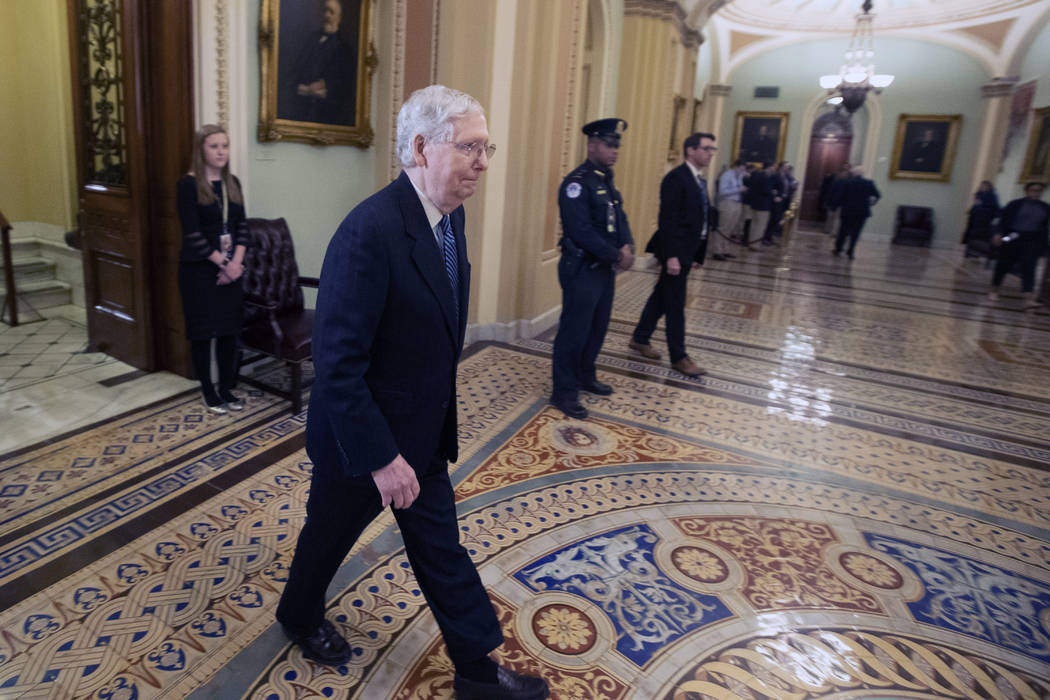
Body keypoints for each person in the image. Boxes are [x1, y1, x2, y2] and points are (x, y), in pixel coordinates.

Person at [275, 85, 549, 700]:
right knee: (327, 538)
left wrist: (416, 441)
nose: (483, 161)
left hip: (419, 434)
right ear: (422, 148)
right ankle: (297, 614)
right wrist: (379, 456)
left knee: (441, 549)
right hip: (360, 441)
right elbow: (337, 363)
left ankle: (478, 674)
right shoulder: (368, 232)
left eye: (487, 147)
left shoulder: (449, 220)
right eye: (471, 147)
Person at [549, 118, 635, 420]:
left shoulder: (605, 180)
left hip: (603, 269)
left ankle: (586, 375)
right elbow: (580, 230)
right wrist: (616, 254)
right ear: (593, 145)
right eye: (610, 145)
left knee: (597, 328)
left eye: (617, 146)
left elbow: (619, 218)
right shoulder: (577, 183)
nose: (615, 151)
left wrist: (629, 247)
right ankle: (564, 391)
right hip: (582, 267)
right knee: (574, 331)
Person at [627, 132, 716, 378]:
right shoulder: (675, 179)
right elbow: (668, 221)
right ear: (691, 151)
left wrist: (698, 253)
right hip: (676, 251)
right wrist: (673, 256)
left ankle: (640, 337)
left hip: (688, 250)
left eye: (712, 149)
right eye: (707, 148)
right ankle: (679, 357)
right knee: (675, 304)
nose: (710, 153)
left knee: (661, 296)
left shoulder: (699, 180)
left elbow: (701, 219)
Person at [176, 124, 249, 414]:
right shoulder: (188, 185)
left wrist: (236, 264)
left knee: (229, 331)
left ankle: (226, 388)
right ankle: (208, 391)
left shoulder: (233, 183)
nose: (221, 152)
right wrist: (224, 264)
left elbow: (241, 226)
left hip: (231, 269)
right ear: (201, 150)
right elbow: (192, 233)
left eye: (225, 146)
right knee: (203, 333)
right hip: (199, 271)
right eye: (214, 146)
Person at [279, 0, 355, 125]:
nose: (327, 15)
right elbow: (296, 70)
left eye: (332, 12)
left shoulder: (344, 49)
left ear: (339, 18)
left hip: (328, 111)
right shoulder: (310, 40)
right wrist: (300, 87)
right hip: (301, 106)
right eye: (325, 11)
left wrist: (325, 84)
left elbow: (346, 84)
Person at [989, 182, 1049, 309]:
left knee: (1029, 266)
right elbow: (1003, 220)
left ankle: (1027, 297)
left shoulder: (1045, 207)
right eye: (1033, 190)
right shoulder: (1015, 205)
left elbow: (1044, 227)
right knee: (1004, 263)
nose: (1036, 193)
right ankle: (995, 290)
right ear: (1027, 191)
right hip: (1013, 236)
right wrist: (998, 234)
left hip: (1031, 239)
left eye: (1039, 191)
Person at [832, 165, 881, 260]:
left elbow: (840, 196)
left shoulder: (847, 183)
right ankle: (851, 251)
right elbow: (877, 195)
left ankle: (838, 248)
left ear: (853, 173)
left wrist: (835, 207)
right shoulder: (869, 183)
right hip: (862, 212)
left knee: (843, 231)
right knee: (856, 232)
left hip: (847, 211)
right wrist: (871, 203)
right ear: (862, 174)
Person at [714, 159, 748, 260]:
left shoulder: (739, 176)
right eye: (741, 169)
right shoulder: (726, 175)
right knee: (723, 228)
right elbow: (722, 191)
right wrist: (738, 189)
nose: (742, 171)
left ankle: (726, 250)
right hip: (727, 203)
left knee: (731, 229)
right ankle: (717, 250)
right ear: (736, 166)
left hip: (737, 203)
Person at [748, 162, 776, 246]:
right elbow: (766, 191)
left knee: (753, 225)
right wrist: (773, 192)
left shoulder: (756, 174)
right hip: (763, 205)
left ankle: (750, 242)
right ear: (769, 167)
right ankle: (755, 245)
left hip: (754, 203)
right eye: (773, 167)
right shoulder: (766, 177)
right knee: (760, 226)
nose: (774, 169)